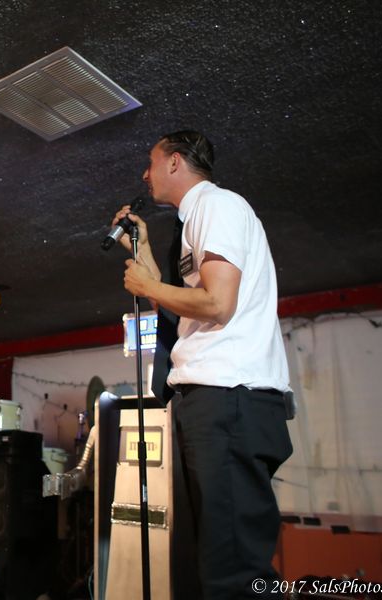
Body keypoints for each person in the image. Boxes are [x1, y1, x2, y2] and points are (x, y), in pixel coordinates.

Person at [113, 130, 293, 599]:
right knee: (209, 562)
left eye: (151, 162)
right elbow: (183, 308)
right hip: (210, 400)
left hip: (228, 396)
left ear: (175, 162)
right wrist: (142, 249)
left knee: (232, 571)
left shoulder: (217, 206)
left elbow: (217, 303)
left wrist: (146, 287)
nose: (145, 174)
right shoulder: (197, 218)